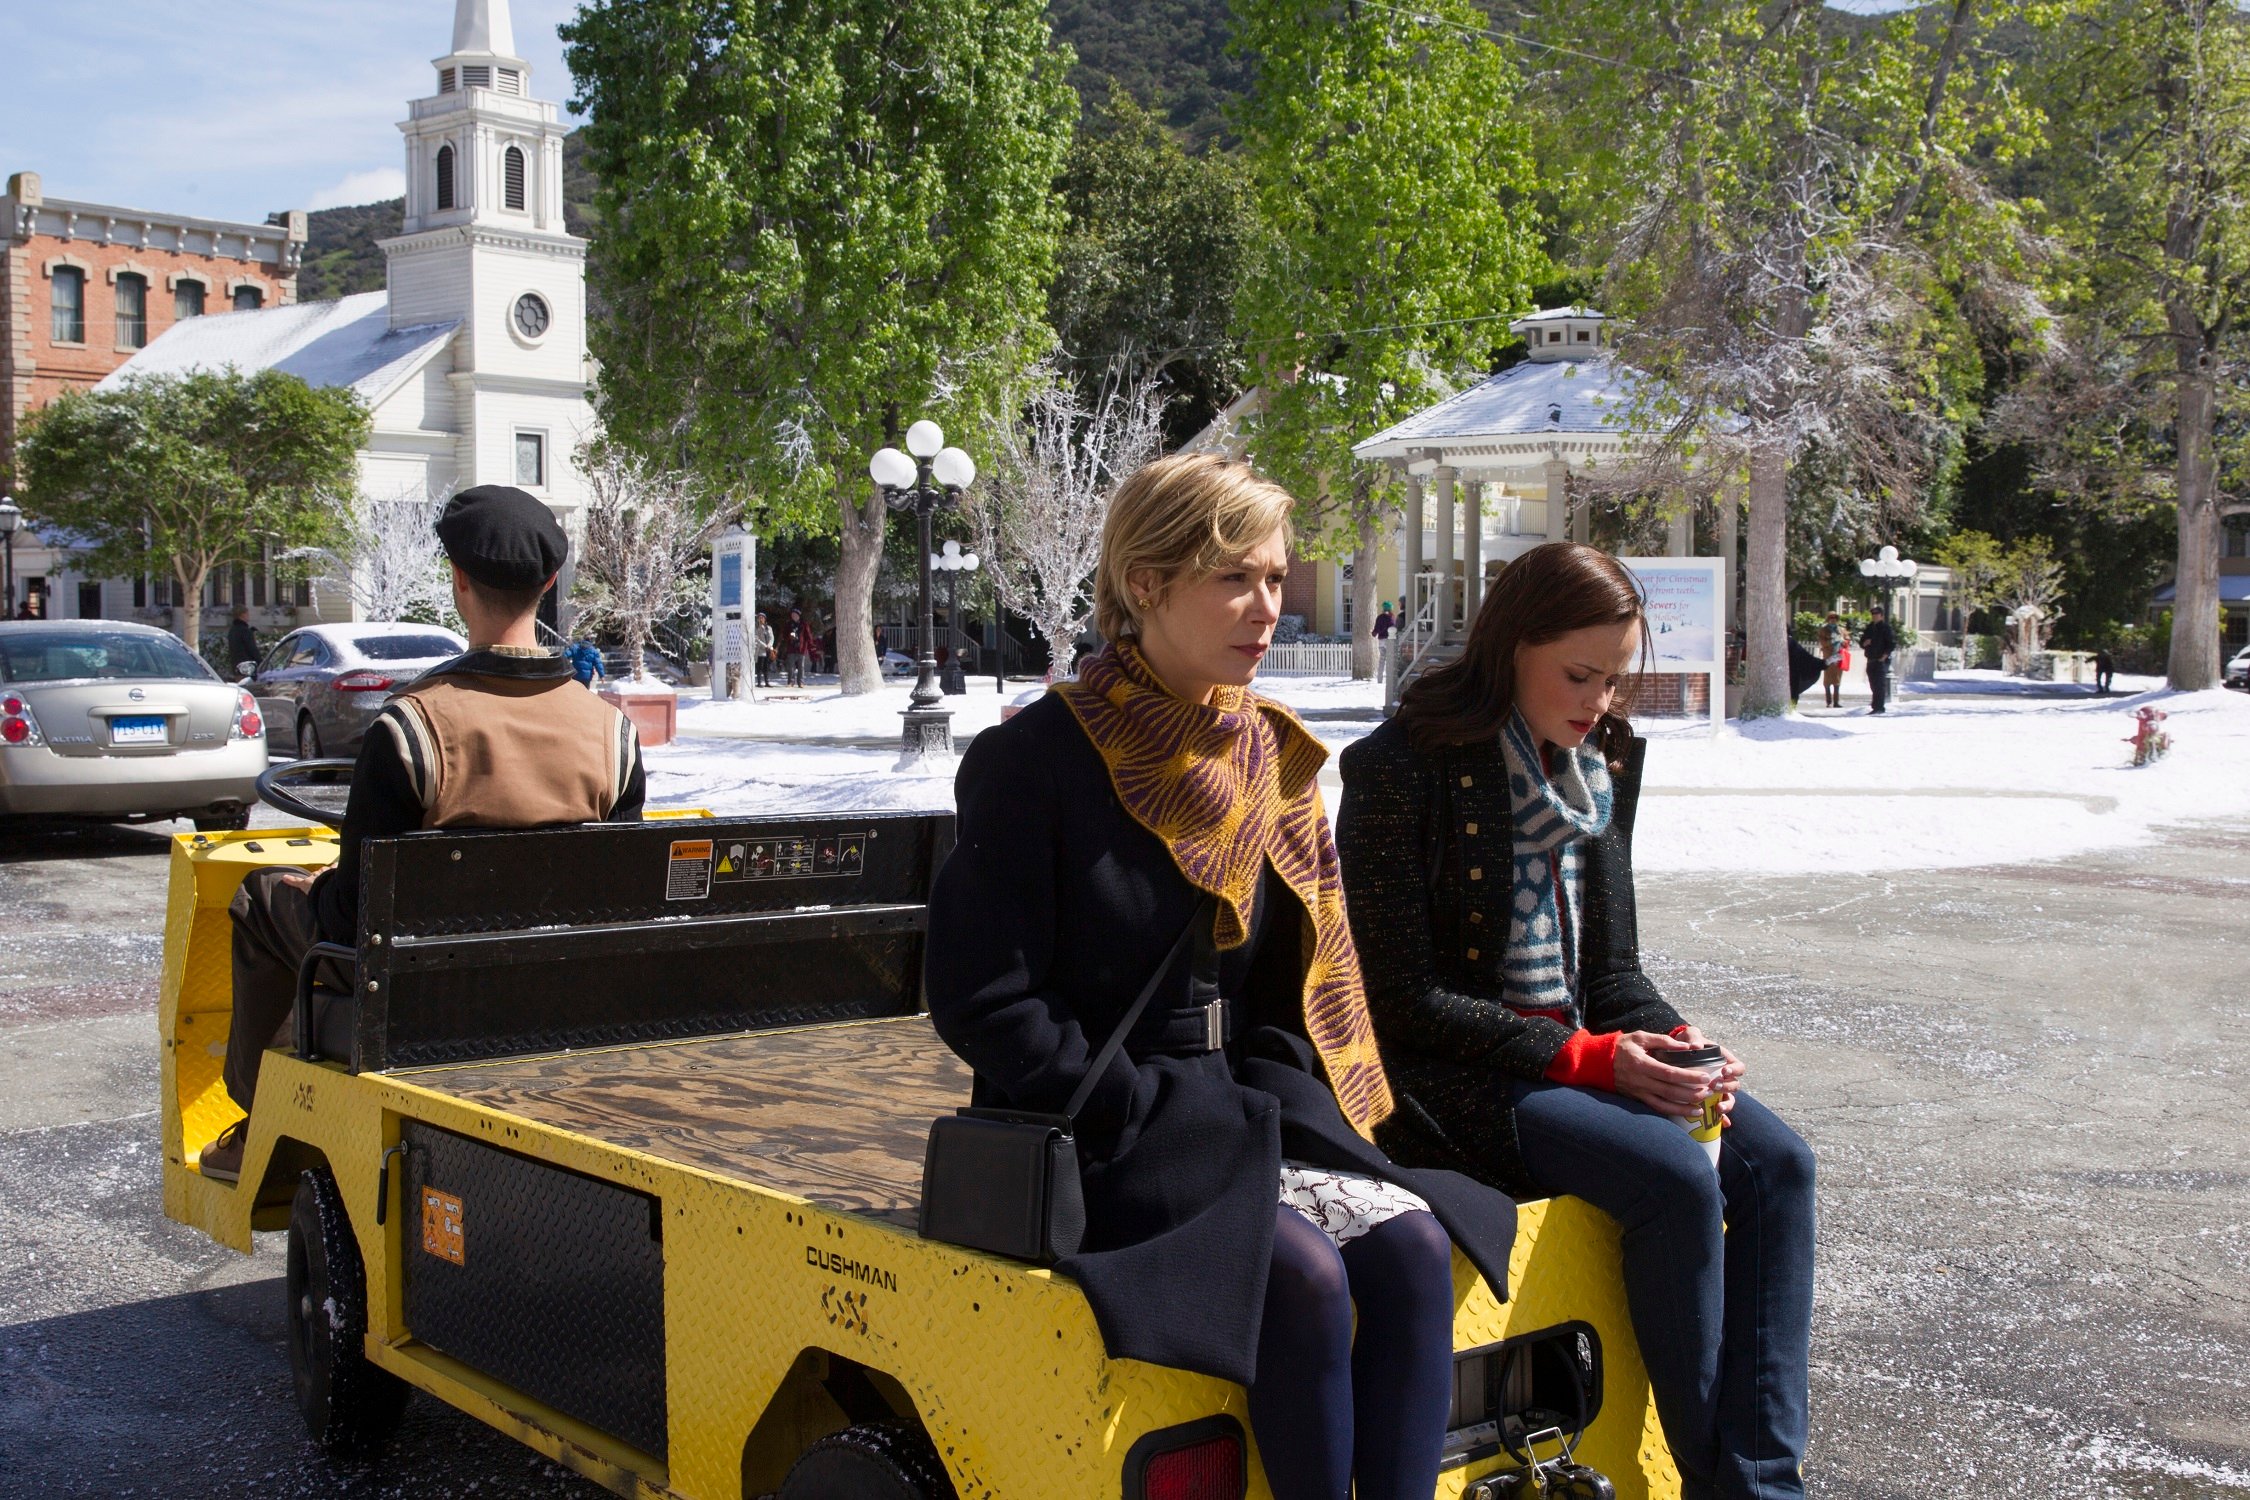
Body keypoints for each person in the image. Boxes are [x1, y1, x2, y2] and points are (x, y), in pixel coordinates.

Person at [925, 454, 1515, 1500]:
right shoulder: (1038, 758)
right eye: (1235, 578)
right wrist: (1128, 1103)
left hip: (1234, 1108)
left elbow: (1289, 984)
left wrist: (1289, 1094)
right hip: (1099, 1125)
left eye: (1278, 578)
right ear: (1146, 582)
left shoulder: (1267, 758)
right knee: (1303, 1277)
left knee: (1418, 1250)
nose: (1268, 608)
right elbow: (985, 998)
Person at [1334, 541, 1816, 1500]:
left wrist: (1681, 1047)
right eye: (1579, 674)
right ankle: (1730, 1488)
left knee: (1780, 1165)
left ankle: (1764, 1482)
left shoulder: (1603, 761)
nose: (1599, 699)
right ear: (1512, 646)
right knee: (1676, 1177)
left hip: (1576, 1058)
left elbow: (1614, 971)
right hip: (1450, 1080)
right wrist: (1594, 1057)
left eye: (1615, 677)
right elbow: (1401, 1002)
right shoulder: (1397, 768)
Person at [200, 485, 647, 1184]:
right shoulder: (614, 735)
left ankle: (262, 1128)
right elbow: (620, 892)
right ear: (550, 583)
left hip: (421, 995)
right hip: (557, 990)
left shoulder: (410, 729)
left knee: (262, 899)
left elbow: (353, 917)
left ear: (458, 580)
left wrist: (321, 892)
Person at [1860, 605, 1896, 714]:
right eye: (1873, 614)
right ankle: (1875, 705)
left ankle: (1879, 707)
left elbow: (1891, 644)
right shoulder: (1870, 627)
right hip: (1871, 658)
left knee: (1879, 684)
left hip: (1881, 660)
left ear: (1881, 615)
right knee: (1873, 683)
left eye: (1877, 614)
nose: (1874, 616)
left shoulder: (1885, 628)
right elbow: (1861, 642)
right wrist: (1864, 643)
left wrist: (1884, 656)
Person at [1816, 609, 1849, 709]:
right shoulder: (1823, 630)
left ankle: (1836, 702)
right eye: (1831, 618)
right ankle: (1828, 701)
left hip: (1838, 657)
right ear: (1828, 619)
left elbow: (1847, 640)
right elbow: (1822, 642)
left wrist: (1843, 641)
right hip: (1829, 657)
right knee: (1827, 680)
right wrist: (1831, 641)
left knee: (1837, 680)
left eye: (1835, 618)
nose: (1833, 620)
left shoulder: (1841, 630)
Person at [225, 607, 260, 678]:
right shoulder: (245, 631)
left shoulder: (232, 630)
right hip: (248, 666)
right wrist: (260, 662)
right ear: (242, 615)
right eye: (247, 614)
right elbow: (252, 649)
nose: (248, 616)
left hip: (236, 665)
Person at [784, 608, 809, 687]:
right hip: (791, 648)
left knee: (801, 667)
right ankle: (790, 682)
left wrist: (808, 646)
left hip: (801, 649)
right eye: (792, 615)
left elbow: (808, 636)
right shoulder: (788, 624)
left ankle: (801, 682)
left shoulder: (804, 624)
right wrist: (789, 637)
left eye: (795, 615)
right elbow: (784, 635)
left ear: (798, 616)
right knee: (791, 666)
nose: (793, 616)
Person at [753, 613, 776, 688]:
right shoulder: (756, 628)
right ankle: (759, 682)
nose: (761, 619)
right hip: (760, 649)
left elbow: (772, 637)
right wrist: (765, 646)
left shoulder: (769, 628)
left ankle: (767, 682)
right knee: (760, 666)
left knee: (766, 666)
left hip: (768, 649)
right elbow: (756, 639)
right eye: (759, 618)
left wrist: (769, 645)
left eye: (762, 617)